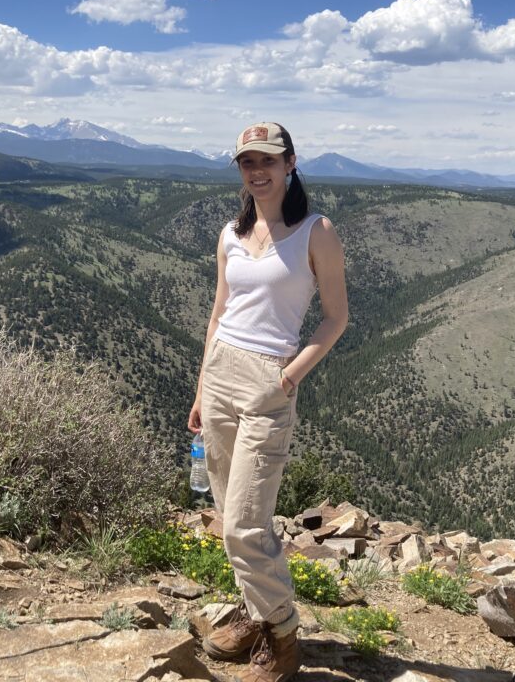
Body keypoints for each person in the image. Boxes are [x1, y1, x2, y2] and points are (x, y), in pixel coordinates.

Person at [188, 122, 348, 682]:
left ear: (290, 164)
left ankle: (281, 636)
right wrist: (202, 387)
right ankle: (256, 614)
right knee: (228, 512)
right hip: (222, 369)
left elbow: (336, 317)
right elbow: (219, 310)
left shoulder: (316, 232)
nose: (257, 172)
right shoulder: (231, 233)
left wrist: (291, 374)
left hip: (266, 382)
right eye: (247, 163)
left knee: (244, 524)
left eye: (268, 161)